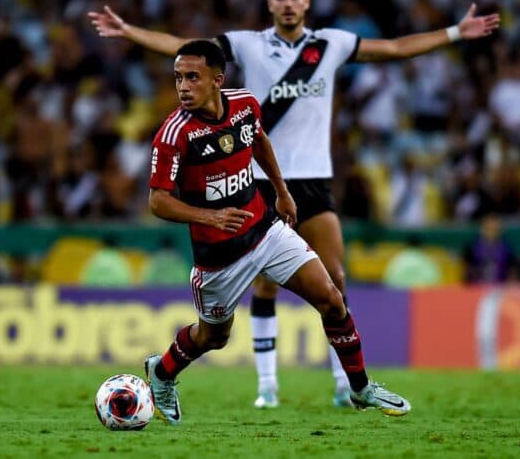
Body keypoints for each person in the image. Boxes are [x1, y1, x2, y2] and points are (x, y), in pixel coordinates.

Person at [89, 0, 499, 408]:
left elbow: (394, 49)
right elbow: (186, 52)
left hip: (286, 199)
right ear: (269, 4)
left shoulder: (322, 50)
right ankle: (215, 378)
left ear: (306, 2)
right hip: (222, 243)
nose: (286, 3)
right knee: (216, 335)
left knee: (331, 290)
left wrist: (457, 31)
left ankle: (356, 388)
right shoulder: (239, 54)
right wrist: (130, 31)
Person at [143, 40, 410, 425]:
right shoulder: (174, 135)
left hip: (265, 229)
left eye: (192, 77)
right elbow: (158, 202)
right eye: (178, 78)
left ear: (217, 80)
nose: (183, 86)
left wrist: (282, 192)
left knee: (332, 298)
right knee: (213, 338)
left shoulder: (245, 105)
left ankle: (360, 387)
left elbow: (259, 141)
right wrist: (210, 217)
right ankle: (162, 372)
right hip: (219, 258)